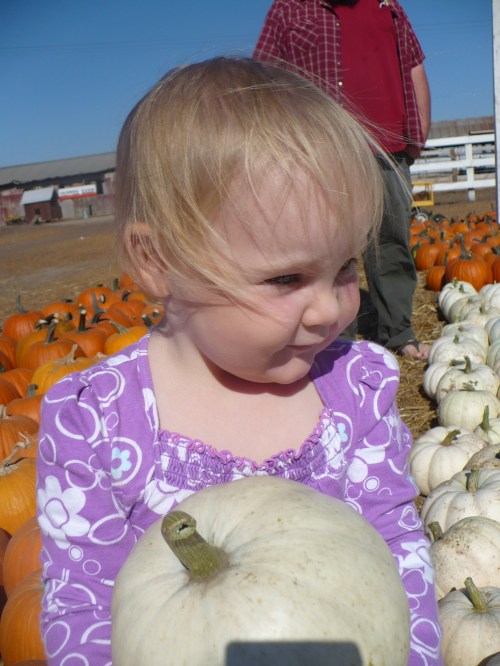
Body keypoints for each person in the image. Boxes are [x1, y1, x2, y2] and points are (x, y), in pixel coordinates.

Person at [36, 57, 442, 665]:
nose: (330, 310)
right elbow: (84, 609)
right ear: (158, 262)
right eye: (286, 278)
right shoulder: (96, 423)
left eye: (345, 268)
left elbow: (398, 549)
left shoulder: (354, 389)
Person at [253, 0, 432, 360]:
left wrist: (419, 134)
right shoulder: (289, 9)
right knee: (326, 248)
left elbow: (413, 65)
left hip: (387, 148)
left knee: (391, 242)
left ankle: (398, 332)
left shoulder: (388, 6)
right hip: (320, 151)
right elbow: (262, 77)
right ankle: (332, 340)